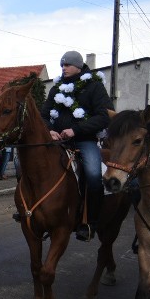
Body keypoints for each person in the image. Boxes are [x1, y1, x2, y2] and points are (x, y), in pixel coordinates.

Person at [40, 51, 112, 241]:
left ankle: (89, 223)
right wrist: (49, 130)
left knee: (94, 176)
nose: (63, 68)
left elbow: (104, 116)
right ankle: (33, 211)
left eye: (67, 65)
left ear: (78, 67)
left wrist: (76, 130)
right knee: (27, 164)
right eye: (62, 65)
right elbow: (43, 115)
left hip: (84, 140)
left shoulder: (94, 86)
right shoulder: (57, 89)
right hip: (57, 141)